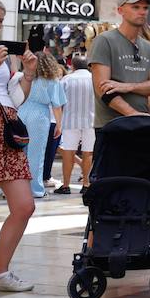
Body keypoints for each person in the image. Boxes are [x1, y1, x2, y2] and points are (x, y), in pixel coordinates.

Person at [0, 0, 35, 296]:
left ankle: (0, 272)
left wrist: (28, 72)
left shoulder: (3, 55)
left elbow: (14, 98)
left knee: (24, 206)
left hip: (5, 127)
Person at [88, 0, 150, 130]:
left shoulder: (149, 47)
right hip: (112, 126)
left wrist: (127, 86)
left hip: (141, 125)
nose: (142, 12)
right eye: (135, 7)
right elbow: (103, 90)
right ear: (120, 10)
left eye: (145, 8)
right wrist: (134, 114)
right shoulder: (104, 41)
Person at [16, 50, 65, 198]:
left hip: (20, 111)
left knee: (18, 153)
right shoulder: (52, 80)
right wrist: (59, 125)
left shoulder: (22, 77)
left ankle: (15, 190)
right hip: (39, 115)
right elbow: (57, 105)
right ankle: (35, 190)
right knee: (36, 154)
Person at [57, 54, 95, 195]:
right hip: (91, 120)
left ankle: (66, 185)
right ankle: (86, 184)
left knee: (68, 152)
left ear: (72, 65)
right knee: (88, 152)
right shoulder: (94, 79)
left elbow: (59, 101)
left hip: (70, 120)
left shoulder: (66, 79)